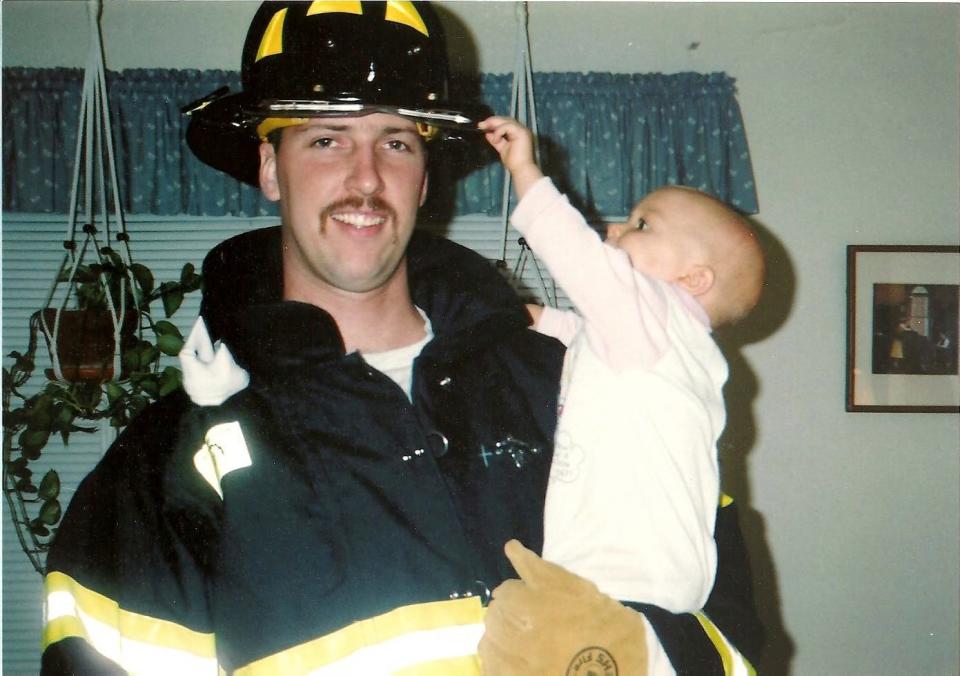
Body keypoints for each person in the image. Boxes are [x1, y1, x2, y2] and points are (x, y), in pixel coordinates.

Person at [39, 3, 763, 675]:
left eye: (396, 140)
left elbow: (733, 639)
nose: (366, 177)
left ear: (424, 178)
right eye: (326, 139)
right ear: (269, 167)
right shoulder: (161, 467)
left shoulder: (589, 382)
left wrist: (635, 654)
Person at [479, 116, 765, 618]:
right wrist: (506, 313)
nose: (615, 227)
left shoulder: (651, 309)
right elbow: (571, 331)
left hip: (615, 578)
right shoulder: (673, 345)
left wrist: (524, 170)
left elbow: (574, 252)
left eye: (642, 224)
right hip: (663, 579)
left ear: (692, 278)